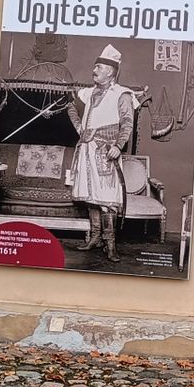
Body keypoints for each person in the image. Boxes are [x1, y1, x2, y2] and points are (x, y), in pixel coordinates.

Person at [66, 44, 136, 261]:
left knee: (106, 200)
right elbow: (70, 107)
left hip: (106, 152)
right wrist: (79, 128)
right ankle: (94, 238)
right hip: (86, 150)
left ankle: (110, 244)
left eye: (99, 67)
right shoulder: (87, 93)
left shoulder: (122, 94)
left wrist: (118, 145)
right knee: (91, 199)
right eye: (95, 66)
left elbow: (127, 122)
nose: (94, 70)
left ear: (111, 71)